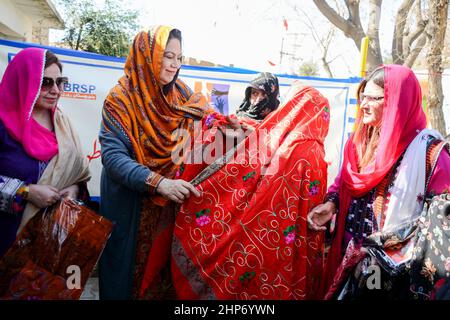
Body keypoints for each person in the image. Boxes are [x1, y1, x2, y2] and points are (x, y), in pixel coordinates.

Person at [98, 26, 246, 300]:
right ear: (147, 55)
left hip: (168, 208)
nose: (174, 64)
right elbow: (113, 158)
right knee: (123, 281)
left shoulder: (180, 93)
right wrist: (158, 182)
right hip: (130, 207)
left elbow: (209, 117)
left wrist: (232, 130)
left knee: (162, 283)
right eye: (167, 56)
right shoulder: (120, 100)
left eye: (179, 57)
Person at [168, 81, 330, 299]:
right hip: (289, 242)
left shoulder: (281, 141)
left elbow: (243, 172)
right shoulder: (315, 151)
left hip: (260, 233)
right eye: (253, 93)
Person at [307, 64, 450, 299]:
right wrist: (331, 204)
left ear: (397, 102)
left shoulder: (430, 155)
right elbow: (344, 182)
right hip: (348, 255)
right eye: (362, 97)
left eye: (372, 98)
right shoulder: (359, 143)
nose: (363, 105)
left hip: (388, 268)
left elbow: (441, 220)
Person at [0, 48, 90, 259]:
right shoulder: (3, 125)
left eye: (60, 82)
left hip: (47, 245)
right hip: (6, 241)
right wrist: (26, 192)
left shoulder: (62, 123)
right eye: (45, 82)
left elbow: (78, 173)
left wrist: (74, 189)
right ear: (23, 82)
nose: (56, 90)